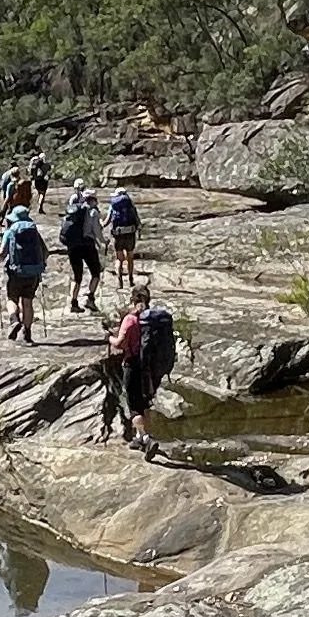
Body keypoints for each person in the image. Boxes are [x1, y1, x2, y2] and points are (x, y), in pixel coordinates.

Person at [101, 278, 178, 447]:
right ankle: (139, 437)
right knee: (144, 403)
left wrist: (109, 338)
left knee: (134, 405)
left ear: (133, 299)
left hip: (133, 365)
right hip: (151, 366)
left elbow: (121, 343)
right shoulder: (151, 319)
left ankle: (145, 439)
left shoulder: (131, 319)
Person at [0, 200, 48, 342]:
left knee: (11, 299)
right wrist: (41, 265)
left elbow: (2, 253)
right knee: (28, 302)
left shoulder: (11, 231)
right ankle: (27, 334)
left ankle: (14, 320)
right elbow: (46, 252)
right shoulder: (34, 231)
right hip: (33, 273)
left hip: (16, 272)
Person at [59, 182, 105, 312]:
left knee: (77, 276)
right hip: (87, 246)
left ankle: (74, 303)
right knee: (96, 272)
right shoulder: (92, 212)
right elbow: (96, 231)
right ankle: (90, 299)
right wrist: (103, 242)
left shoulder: (74, 210)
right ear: (93, 200)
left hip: (73, 246)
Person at [107, 182, 142, 291]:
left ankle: (119, 281)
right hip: (130, 234)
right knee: (130, 258)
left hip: (118, 235)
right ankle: (131, 279)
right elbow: (137, 221)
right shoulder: (130, 205)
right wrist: (139, 231)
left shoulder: (113, 206)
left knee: (119, 259)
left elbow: (107, 220)